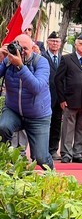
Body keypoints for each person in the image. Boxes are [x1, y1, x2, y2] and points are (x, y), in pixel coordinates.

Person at [0, 33, 53, 169]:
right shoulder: (8, 61)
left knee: (41, 158)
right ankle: (5, 161)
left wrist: (20, 67)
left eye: (25, 49)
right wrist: (1, 58)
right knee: (3, 127)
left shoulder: (41, 62)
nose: (21, 52)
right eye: (18, 47)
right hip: (14, 110)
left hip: (38, 116)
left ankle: (52, 176)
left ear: (33, 48)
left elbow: (36, 87)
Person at [55, 33, 82, 163]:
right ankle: (66, 154)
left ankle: (78, 153)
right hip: (70, 100)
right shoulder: (67, 59)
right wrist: (62, 99)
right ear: (76, 45)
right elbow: (58, 79)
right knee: (68, 129)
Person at [41, 31, 63, 160]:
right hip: (45, 96)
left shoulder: (63, 58)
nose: (55, 43)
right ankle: (43, 149)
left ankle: (53, 149)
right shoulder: (42, 57)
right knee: (44, 124)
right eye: (52, 41)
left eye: (57, 41)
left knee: (56, 124)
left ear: (60, 44)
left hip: (59, 98)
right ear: (48, 42)